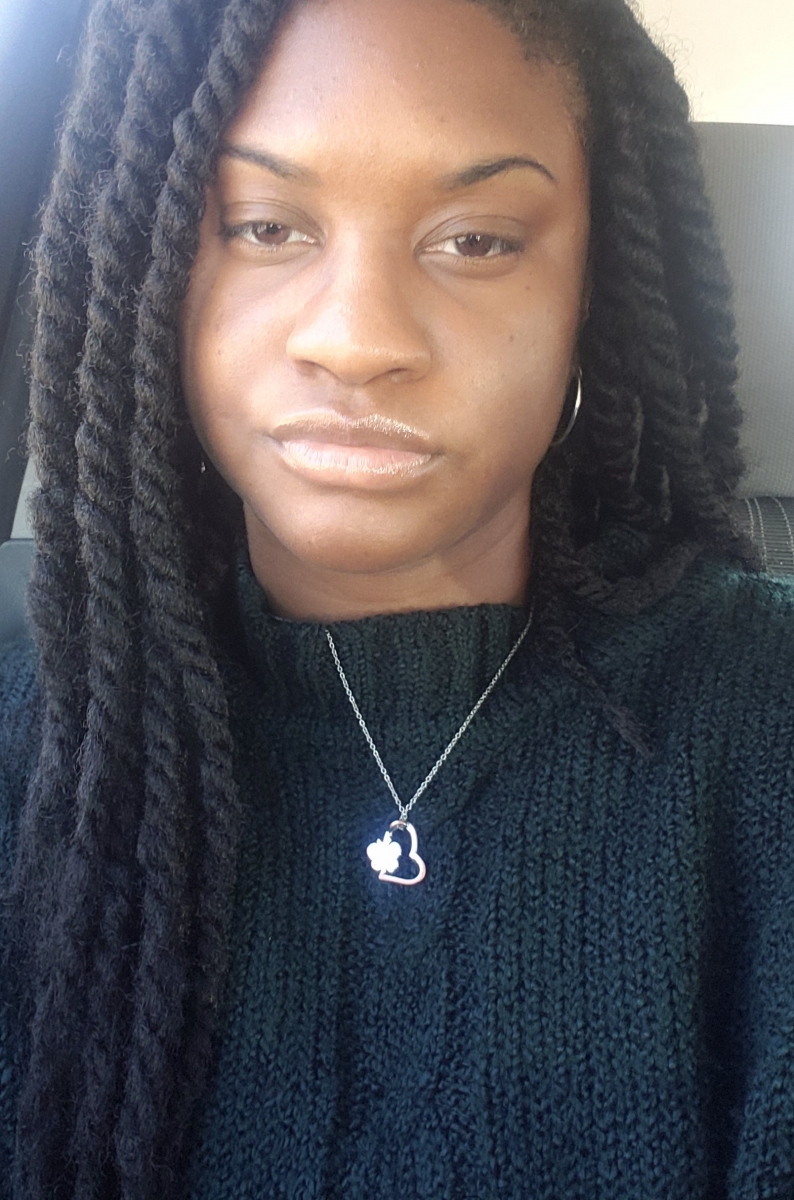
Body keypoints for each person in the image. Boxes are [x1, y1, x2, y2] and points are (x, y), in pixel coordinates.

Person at [1, 0, 793, 1195]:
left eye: (475, 240)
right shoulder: (36, 740)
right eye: (264, 225)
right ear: (152, 268)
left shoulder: (762, 718)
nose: (357, 338)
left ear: (592, 290)